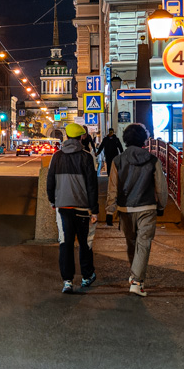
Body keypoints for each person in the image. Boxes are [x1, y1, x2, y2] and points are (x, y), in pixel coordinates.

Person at [46, 122, 99, 294]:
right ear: (81, 137)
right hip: (83, 208)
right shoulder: (86, 156)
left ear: (66, 137)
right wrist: (95, 209)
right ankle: (86, 276)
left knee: (65, 243)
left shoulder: (57, 157)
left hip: (63, 207)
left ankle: (67, 281)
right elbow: (92, 186)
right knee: (85, 243)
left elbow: (50, 182)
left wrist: (53, 201)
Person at [115, 123, 160, 297]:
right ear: (144, 139)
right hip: (147, 207)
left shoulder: (117, 160)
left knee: (131, 242)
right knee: (144, 243)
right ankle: (136, 281)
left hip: (125, 209)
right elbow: (161, 187)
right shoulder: (152, 159)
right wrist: (161, 205)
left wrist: (111, 209)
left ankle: (135, 275)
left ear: (125, 139)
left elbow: (113, 186)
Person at [99, 127, 124, 225]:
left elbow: (120, 147)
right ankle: (110, 177)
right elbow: (102, 146)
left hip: (115, 156)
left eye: (112, 132)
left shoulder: (116, 139)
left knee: (114, 172)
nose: (111, 133)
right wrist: (98, 151)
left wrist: (122, 153)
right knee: (110, 169)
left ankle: (109, 213)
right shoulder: (105, 139)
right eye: (110, 131)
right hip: (109, 156)